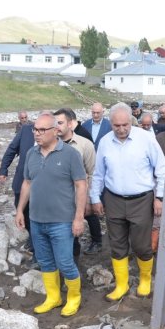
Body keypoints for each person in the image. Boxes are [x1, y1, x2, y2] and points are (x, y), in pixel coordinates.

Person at [90, 103, 165, 301]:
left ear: (131, 121)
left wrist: (159, 197)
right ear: (111, 124)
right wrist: (95, 198)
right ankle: (122, 284)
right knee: (116, 243)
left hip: (142, 200)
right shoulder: (105, 142)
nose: (121, 129)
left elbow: (161, 168)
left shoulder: (146, 139)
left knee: (142, 245)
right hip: (113, 200)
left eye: (125, 125)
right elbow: (98, 173)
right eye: (117, 126)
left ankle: (145, 279)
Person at [16, 112, 87, 317]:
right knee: (45, 261)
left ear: (55, 131)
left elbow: (81, 185)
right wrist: (20, 210)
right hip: (37, 220)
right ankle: (53, 297)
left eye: (41, 130)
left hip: (62, 221)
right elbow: (27, 182)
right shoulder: (31, 153)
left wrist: (78, 217)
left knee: (65, 262)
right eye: (35, 130)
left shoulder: (70, 154)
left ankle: (74, 297)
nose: (36, 134)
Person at [53, 108, 103, 256]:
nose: (57, 126)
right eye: (55, 123)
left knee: (88, 217)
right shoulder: (49, 145)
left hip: (79, 194)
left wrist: (90, 198)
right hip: (58, 198)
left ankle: (96, 241)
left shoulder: (85, 144)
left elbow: (93, 172)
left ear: (70, 124)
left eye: (60, 123)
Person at [0, 123, 39, 268]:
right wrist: (3, 169)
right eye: (36, 128)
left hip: (41, 187)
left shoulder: (53, 134)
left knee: (37, 217)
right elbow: (11, 150)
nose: (38, 132)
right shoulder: (25, 131)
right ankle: (33, 239)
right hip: (21, 182)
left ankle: (38, 253)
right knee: (21, 211)